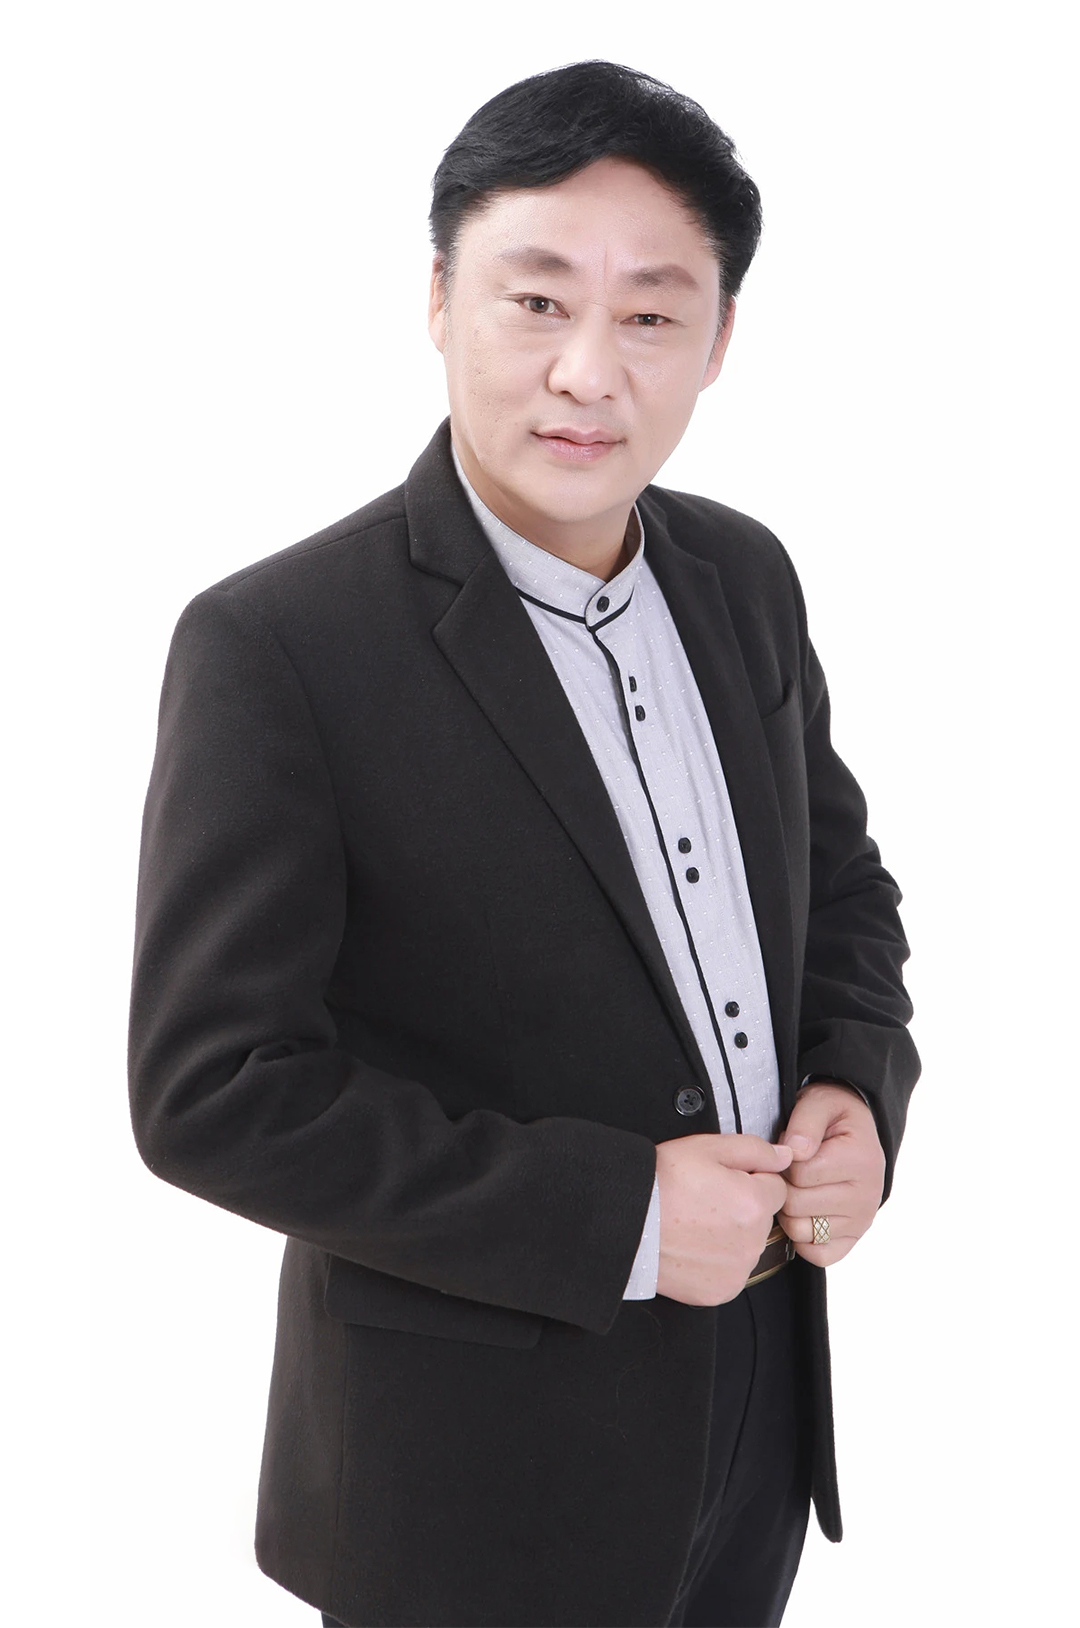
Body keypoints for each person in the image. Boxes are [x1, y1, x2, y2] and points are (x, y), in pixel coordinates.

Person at [128, 59, 920, 1628]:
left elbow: (841, 890)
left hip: (760, 1408)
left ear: (720, 339)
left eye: (651, 315)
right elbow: (213, 1093)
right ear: (439, 300)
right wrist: (621, 1216)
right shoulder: (279, 645)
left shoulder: (745, 578)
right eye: (537, 301)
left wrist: (856, 1084)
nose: (588, 373)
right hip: (472, 1470)